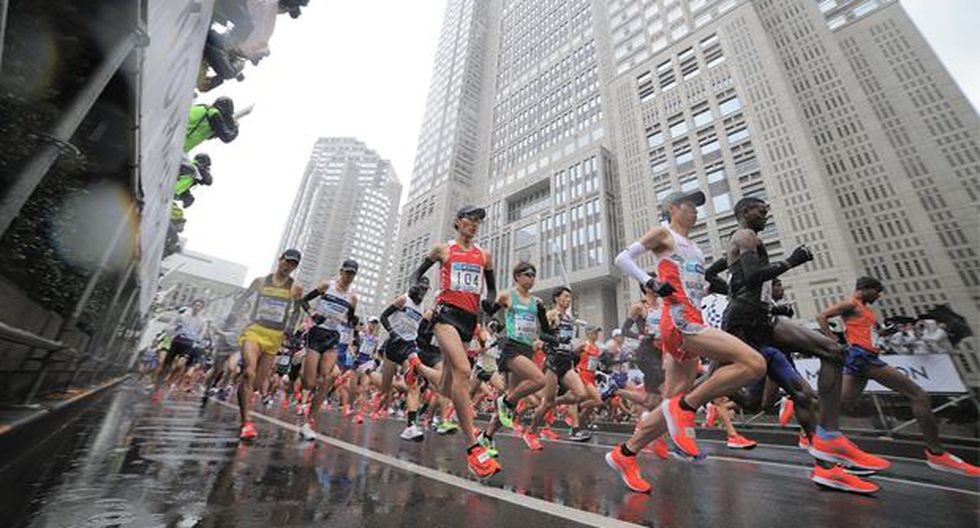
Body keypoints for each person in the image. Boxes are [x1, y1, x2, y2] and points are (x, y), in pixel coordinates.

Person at [605, 189, 766, 494]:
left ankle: (625, 454)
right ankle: (687, 408)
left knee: (669, 405)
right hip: (679, 322)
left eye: (696, 206)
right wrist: (650, 281)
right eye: (689, 205)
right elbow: (622, 258)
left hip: (693, 318)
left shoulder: (696, 249)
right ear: (672, 208)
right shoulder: (664, 235)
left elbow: (693, 286)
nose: (694, 210)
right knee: (754, 363)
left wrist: (711, 289)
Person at [819, 277, 979, 477]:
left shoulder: (865, 310)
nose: (879, 296)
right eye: (877, 291)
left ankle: (806, 413)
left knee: (839, 404)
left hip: (863, 357)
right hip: (863, 357)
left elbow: (869, 334)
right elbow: (822, 316)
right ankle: (936, 453)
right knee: (918, 395)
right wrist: (834, 341)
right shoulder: (851, 304)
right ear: (865, 288)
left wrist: (884, 333)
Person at [407, 205, 501, 478]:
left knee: (448, 387)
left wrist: (490, 302)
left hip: (469, 321)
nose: (475, 224)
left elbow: (491, 290)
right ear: (458, 221)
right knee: (462, 371)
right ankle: (473, 447)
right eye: (471, 219)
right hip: (445, 315)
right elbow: (416, 274)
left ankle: (418, 367)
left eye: (478, 221)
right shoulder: (443, 249)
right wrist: (415, 285)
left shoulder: (484, 255)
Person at [476, 262, 551, 456]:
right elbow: (488, 313)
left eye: (533, 275)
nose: (531, 278)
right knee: (539, 380)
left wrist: (549, 336)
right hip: (511, 348)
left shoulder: (537, 302)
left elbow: (546, 331)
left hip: (527, 350)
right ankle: (506, 401)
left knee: (510, 407)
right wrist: (493, 325)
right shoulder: (507, 296)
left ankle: (487, 436)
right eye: (527, 274)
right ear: (517, 276)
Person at [231, 249, 304, 440]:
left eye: (293, 264)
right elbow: (242, 298)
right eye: (287, 261)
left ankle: (243, 399)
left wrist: (290, 329)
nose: (288, 266)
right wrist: (233, 316)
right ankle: (247, 422)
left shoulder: (295, 288)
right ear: (280, 260)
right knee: (249, 372)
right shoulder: (260, 281)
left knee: (256, 383)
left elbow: (297, 311)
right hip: (255, 331)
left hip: (274, 337)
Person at [297, 259, 360, 440]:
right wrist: (312, 314)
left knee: (328, 378)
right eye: (347, 272)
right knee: (310, 383)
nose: (349, 276)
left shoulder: (352, 298)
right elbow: (304, 300)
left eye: (352, 274)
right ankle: (304, 370)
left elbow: (350, 319)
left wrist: (354, 325)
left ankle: (308, 421)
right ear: (341, 271)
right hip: (316, 334)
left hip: (332, 337)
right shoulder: (327, 286)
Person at [524, 286, 590, 450]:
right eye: (565, 297)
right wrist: (553, 340)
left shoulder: (569, 319)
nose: (568, 300)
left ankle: (555, 402)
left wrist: (576, 350)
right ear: (557, 298)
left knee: (581, 394)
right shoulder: (552, 314)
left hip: (566, 362)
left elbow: (567, 342)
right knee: (546, 403)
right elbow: (542, 335)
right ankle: (530, 432)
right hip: (553, 362)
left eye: (569, 297)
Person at [378, 278, 431, 441]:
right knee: (385, 389)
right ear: (415, 287)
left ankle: (411, 426)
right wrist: (392, 332)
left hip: (408, 347)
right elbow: (383, 316)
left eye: (426, 290)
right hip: (393, 344)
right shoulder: (403, 300)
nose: (423, 293)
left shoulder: (423, 308)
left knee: (413, 385)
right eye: (421, 289)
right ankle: (377, 401)